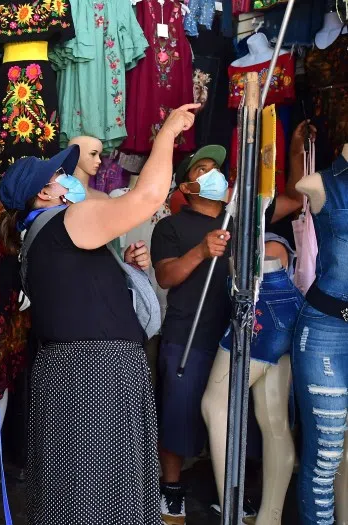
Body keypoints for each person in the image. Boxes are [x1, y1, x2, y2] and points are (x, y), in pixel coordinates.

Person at [0, 104, 200, 525]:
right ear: (45, 192)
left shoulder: (42, 235)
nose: (72, 181)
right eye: (62, 176)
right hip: (96, 375)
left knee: (75, 495)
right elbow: (146, 197)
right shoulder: (66, 221)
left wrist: (121, 268)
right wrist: (164, 135)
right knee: (102, 497)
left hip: (76, 373)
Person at [150, 144, 232, 523]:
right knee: (179, 413)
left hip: (232, 336)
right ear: (187, 184)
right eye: (202, 169)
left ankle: (231, 490)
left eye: (216, 168)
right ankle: (171, 490)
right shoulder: (170, 227)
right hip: (186, 334)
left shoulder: (237, 225)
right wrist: (201, 251)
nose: (212, 173)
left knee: (232, 416)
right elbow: (166, 277)